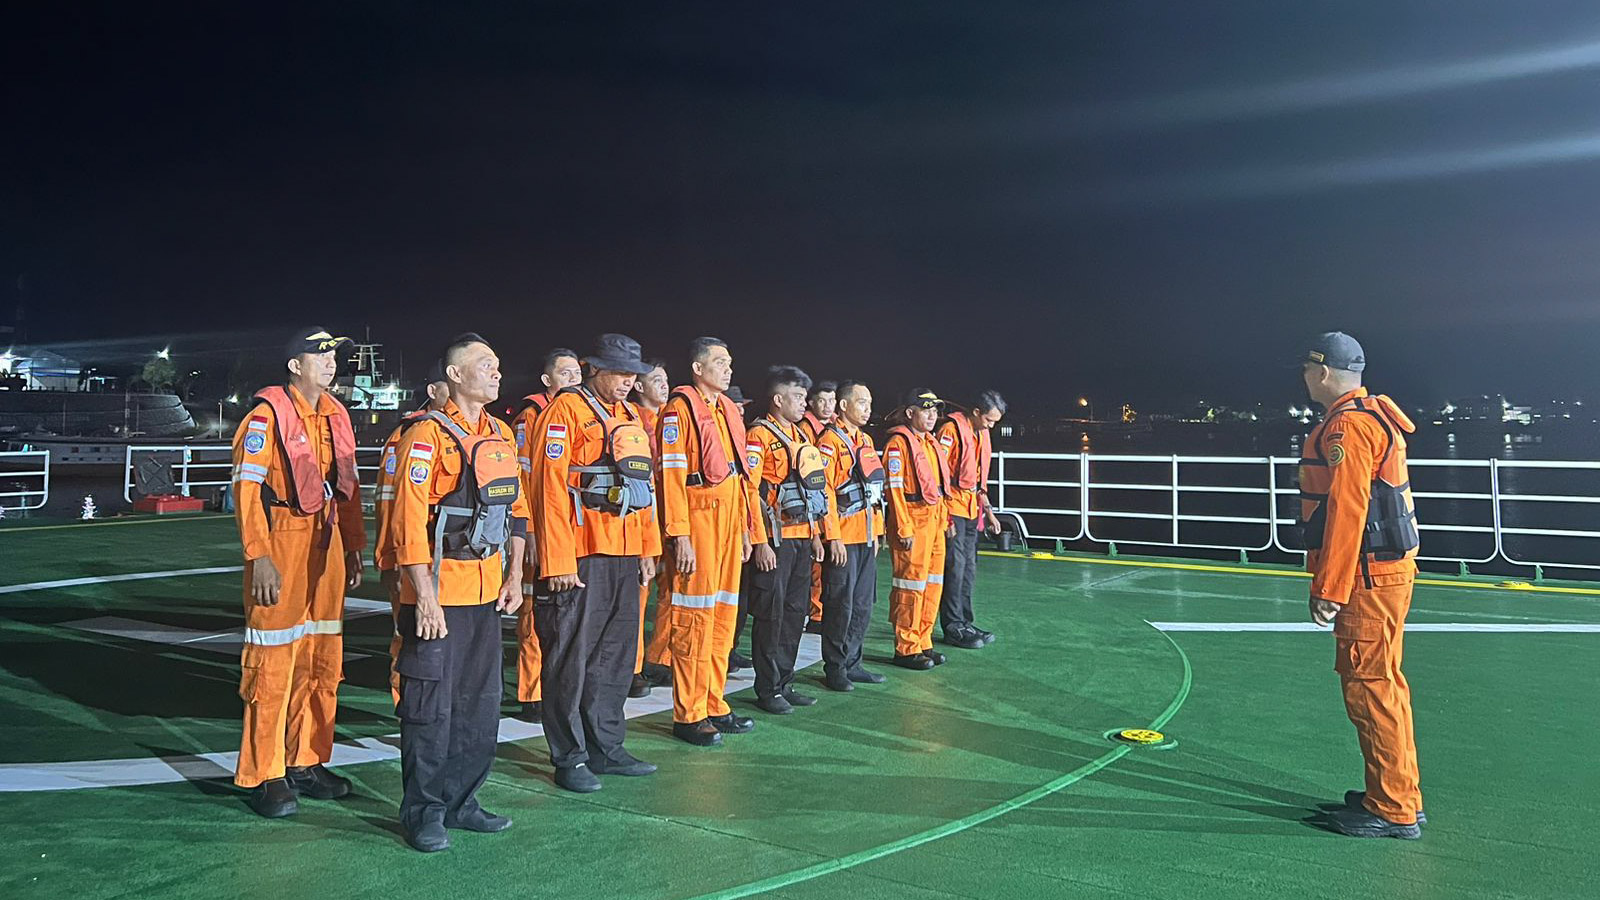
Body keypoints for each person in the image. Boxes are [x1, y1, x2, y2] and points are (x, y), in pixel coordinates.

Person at [389, 333, 530, 852]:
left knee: (479, 703)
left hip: (487, 592)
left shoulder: (501, 434)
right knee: (430, 704)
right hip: (438, 596)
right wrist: (423, 596)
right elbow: (406, 523)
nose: (497, 372)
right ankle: (423, 812)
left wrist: (515, 576)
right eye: (485, 365)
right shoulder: (424, 437)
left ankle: (462, 802)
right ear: (453, 375)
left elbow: (516, 513)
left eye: (497, 364)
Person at [229, 327, 366, 818]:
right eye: (321, 355)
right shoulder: (265, 417)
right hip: (283, 538)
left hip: (326, 542)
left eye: (335, 355)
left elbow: (345, 489)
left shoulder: (336, 416)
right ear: (294, 365)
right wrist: (258, 555)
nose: (331, 362)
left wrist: (353, 548)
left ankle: (305, 759)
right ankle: (264, 773)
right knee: (271, 659)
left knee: (321, 655)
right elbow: (246, 490)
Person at [1298, 332, 1424, 839]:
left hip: (1367, 580)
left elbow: (1349, 512)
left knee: (1370, 689)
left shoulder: (1347, 429)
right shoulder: (1375, 416)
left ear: (1323, 372)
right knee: (1386, 685)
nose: (1305, 378)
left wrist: (1329, 589)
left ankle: (1392, 809)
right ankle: (1396, 792)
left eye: (1307, 370)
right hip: (1388, 574)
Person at [528, 334, 662, 792]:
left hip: (624, 554)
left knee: (616, 657)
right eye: (620, 373)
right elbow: (547, 490)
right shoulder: (563, 412)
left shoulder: (631, 418)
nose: (628, 382)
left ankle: (607, 747)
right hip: (581, 556)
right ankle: (570, 757)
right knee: (571, 658)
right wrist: (558, 562)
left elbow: (642, 488)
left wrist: (647, 549)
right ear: (593, 369)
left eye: (632, 375)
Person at [658, 337, 755, 746]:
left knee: (722, 617)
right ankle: (689, 712)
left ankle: (715, 702)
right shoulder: (679, 410)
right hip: (698, 519)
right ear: (698, 369)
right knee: (693, 617)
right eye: (719, 362)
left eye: (730, 361)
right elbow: (671, 477)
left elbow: (741, 475)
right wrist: (679, 534)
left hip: (730, 521)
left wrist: (749, 528)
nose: (728, 369)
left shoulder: (727, 409)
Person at [744, 366, 842, 714]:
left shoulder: (801, 436)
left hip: (802, 538)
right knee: (771, 614)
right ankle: (767, 688)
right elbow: (751, 492)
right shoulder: (758, 437)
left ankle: (785, 681)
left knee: (795, 613)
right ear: (777, 399)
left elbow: (810, 488)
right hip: (775, 539)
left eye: (805, 396)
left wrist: (816, 535)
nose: (804, 403)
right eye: (798, 397)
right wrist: (760, 542)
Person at [510, 348, 582, 724]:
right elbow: (526, 480)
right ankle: (530, 692)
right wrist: (533, 533)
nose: (573, 379)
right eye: (565, 373)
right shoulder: (531, 418)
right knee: (532, 615)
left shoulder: (582, 414)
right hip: (540, 530)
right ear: (547, 381)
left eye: (577, 372)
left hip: (569, 531)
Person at [376, 361, 451, 704]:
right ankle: (403, 702)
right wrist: (389, 559)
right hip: (413, 558)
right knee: (409, 635)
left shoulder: (476, 435)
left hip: (451, 560)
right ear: (434, 392)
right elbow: (390, 502)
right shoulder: (408, 437)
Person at [813, 380, 887, 692]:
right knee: (839, 604)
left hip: (866, 534)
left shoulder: (865, 440)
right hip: (843, 537)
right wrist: (833, 538)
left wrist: (877, 534)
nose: (868, 409)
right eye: (861, 402)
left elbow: (873, 492)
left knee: (862, 604)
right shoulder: (829, 442)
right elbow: (824, 491)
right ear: (843, 406)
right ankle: (835, 667)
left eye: (869, 403)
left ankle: (853, 662)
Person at [882, 389, 952, 671]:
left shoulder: (930, 443)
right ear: (910, 413)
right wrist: (903, 526)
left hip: (934, 520)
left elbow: (938, 488)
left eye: (935, 410)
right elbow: (894, 489)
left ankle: (924, 640)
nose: (932, 415)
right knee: (910, 584)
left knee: (933, 583)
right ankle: (906, 647)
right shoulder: (898, 444)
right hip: (912, 517)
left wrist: (946, 520)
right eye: (926, 410)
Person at [935, 392, 1006, 650]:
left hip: (970, 508)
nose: (991, 426)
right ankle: (952, 625)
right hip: (952, 507)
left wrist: (988, 511)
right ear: (976, 412)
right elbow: (938, 473)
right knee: (954, 566)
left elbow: (978, 480)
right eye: (989, 420)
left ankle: (965, 620)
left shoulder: (981, 434)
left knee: (968, 568)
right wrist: (944, 515)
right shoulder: (950, 430)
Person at [632, 359, 672, 696]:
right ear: (638, 386)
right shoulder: (631, 422)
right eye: (656, 380)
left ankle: (661, 656)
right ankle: (633, 667)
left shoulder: (671, 421)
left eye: (665, 379)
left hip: (671, 520)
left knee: (673, 590)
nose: (664, 385)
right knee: (639, 594)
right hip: (644, 518)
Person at [799, 380, 837, 635]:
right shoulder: (805, 429)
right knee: (815, 566)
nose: (827, 406)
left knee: (822, 566)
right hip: (810, 504)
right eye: (822, 400)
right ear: (811, 403)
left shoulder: (831, 428)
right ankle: (815, 615)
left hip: (825, 504)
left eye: (831, 400)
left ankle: (820, 611)